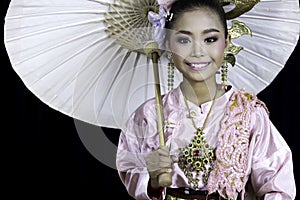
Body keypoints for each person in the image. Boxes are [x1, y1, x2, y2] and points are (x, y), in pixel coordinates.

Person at [116, 0, 296, 199]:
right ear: (168, 44)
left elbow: (278, 187)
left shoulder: (249, 115)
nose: (198, 51)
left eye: (210, 39)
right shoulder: (149, 115)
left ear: (226, 43)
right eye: (184, 40)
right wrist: (151, 181)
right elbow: (129, 169)